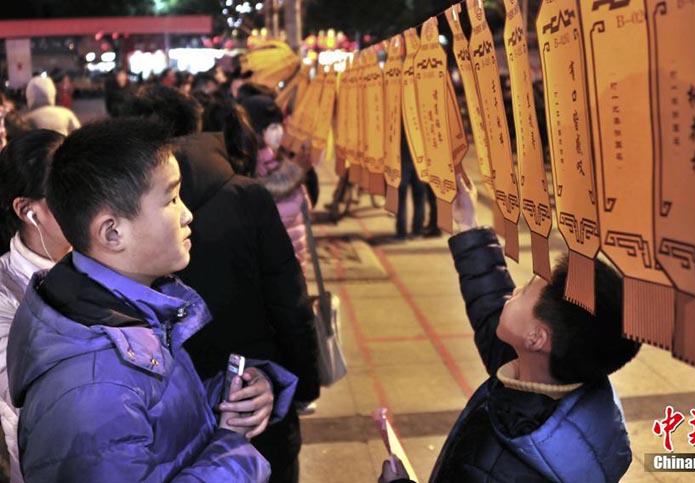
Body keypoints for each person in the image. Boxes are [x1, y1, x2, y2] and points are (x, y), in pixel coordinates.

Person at [7, 118, 294, 481]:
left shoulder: (120, 312)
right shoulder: (94, 392)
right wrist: (233, 450)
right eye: (171, 198)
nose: (187, 213)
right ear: (113, 232)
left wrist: (232, 395)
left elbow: (156, 424)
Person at [381, 175, 640, 483]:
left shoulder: (498, 461)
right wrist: (467, 223)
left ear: (536, 338)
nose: (513, 292)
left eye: (525, 291)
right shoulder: (562, 379)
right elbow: (492, 309)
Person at [123, 86, 320, 483]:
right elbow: (289, 303)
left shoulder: (126, 211)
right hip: (252, 395)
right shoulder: (246, 195)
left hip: (168, 415)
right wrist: (301, 383)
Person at [0, 130, 70, 483]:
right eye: (69, 193)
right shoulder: (4, 296)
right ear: (28, 211)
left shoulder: (111, 259)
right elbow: (24, 406)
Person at [242, 94, 309, 273]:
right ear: (256, 131)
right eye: (273, 127)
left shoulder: (246, 173)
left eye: (280, 125)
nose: (280, 132)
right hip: (293, 272)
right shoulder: (286, 168)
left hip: (275, 275)